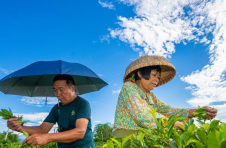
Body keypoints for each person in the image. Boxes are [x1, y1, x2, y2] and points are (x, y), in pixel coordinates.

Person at [113, 55, 218, 138]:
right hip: (126, 136)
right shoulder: (129, 87)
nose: (156, 80)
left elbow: (170, 110)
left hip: (146, 135)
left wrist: (198, 112)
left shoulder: (151, 96)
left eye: (158, 77)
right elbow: (142, 117)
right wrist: (175, 124)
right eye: (154, 75)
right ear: (140, 73)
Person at [7, 74, 95, 148]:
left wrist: (47, 138)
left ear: (72, 88)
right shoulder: (57, 108)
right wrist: (20, 128)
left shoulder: (82, 104)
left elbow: (80, 132)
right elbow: (42, 129)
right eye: (55, 90)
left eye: (61, 90)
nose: (57, 94)